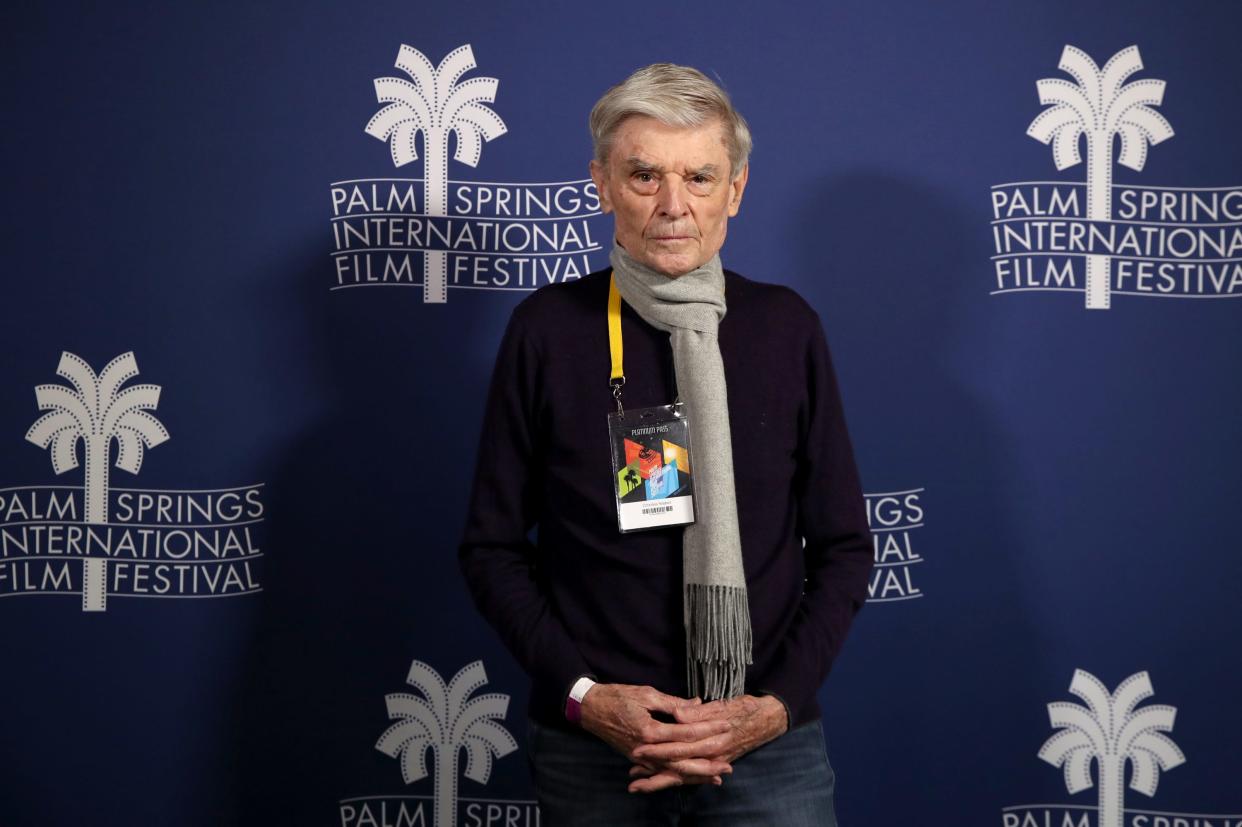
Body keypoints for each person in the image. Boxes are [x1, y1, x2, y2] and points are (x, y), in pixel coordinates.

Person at [460, 63, 873, 825]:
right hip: (596, 748)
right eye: (644, 175)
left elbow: (846, 546)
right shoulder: (547, 330)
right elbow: (491, 548)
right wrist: (587, 697)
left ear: (736, 191)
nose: (674, 206)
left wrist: (772, 707)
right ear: (602, 184)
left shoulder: (787, 329)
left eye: (700, 177)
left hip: (767, 747)